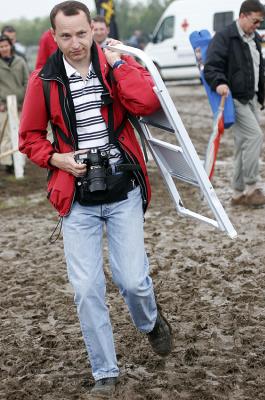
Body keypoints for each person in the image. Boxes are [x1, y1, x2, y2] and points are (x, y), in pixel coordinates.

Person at [19, 1, 172, 397]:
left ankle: (151, 322)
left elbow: (147, 103)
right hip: (76, 198)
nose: (74, 43)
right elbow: (29, 138)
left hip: (123, 190)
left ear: (94, 30)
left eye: (81, 34)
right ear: (54, 36)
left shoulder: (111, 66)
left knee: (133, 281)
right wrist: (57, 158)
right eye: (65, 36)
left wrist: (120, 64)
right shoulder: (44, 80)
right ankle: (106, 371)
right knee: (87, 289)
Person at [204, 0, 265, 207]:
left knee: (242, 144)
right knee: (255, 136)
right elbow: (211, 66)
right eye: (255, 21)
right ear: (243, 16)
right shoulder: (224, 37)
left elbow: (257, 68)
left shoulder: (254, 38)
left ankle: (238, 193)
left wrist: (261, 95)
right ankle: (251, 188)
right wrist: (219, 83)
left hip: (250, 98)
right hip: (234, 99)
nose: (258, 26)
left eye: (260, 22)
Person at [0, 34, 28, 172]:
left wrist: (26, 100)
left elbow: (27, 81)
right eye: (1, 46)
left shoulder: (20, 61)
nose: (4, 48)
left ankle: (20, 162)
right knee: (5, 135)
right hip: (4, 106)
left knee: (21, 134)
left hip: (20, 104)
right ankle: (8, 163)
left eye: (6, 45)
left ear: (10, 46)